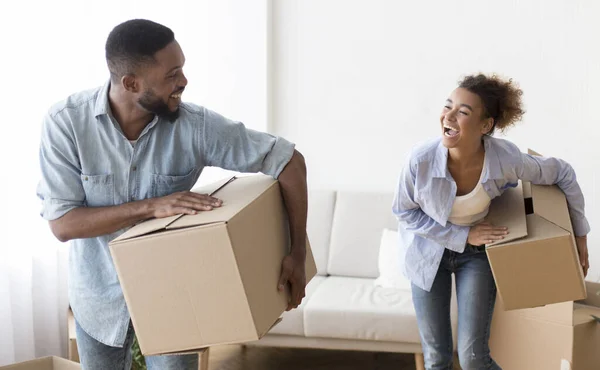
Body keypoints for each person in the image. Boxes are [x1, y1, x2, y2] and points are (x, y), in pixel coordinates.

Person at [36, 19, 308, 370]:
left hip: (173, 299)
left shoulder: (195, 126)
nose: (183, 81)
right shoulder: (66, 124)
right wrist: (152, 207)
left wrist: (296, 252)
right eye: (172, 74)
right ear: (131, 83)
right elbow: (63, 224)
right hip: (98, 301)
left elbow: (289, 161)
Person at [392, 73, 590, 370]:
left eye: (463, 111)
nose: (449, 116)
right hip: (426, 253)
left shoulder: (505, 159)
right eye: (448, 106)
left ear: (485, 126)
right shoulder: (419, 160)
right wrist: (463, 235)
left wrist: (580, 235)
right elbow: (404, 212)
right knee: (436, 358)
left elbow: (563, 173)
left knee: (474, 359)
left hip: (477, 256)